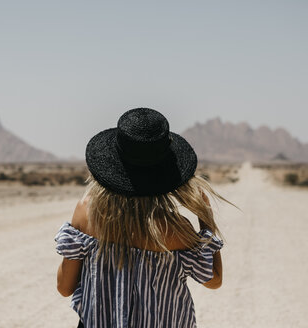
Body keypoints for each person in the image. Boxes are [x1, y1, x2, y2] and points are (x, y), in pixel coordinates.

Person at [55, 107, 237, 328]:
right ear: (165, 172)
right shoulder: (176, 229)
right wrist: (205, 218)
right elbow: (214, 280)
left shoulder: (86, 212)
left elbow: (65, 288)